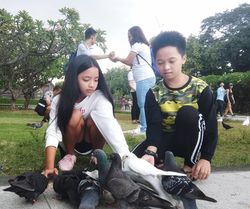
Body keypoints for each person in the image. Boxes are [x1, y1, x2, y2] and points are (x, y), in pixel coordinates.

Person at [133, 31, 218, 181]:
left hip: (188, 140)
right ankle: (162, 161)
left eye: (172, 61)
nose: (166, 67)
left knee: (189, 113)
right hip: (163, 139)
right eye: (160, 62)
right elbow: (154, 126)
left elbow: (210, 127)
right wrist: (151, 152)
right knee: (131, 164)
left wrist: (206, 158)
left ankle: (190, 165)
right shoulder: (153, 92)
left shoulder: (201, 89)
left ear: (183, 59)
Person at [42, 55, 130, 177]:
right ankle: (70, 155)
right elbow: (53, 130)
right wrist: (49, 167)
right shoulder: (59, 100)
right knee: (75, 114)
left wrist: (126, 156)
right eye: (86, 79)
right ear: (74, 78)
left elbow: (110, 125)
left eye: (96, 79)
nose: (92, 85)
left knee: (97, 119)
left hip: (91, 140)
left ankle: (97, 154)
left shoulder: (100, 98)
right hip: (71, 140)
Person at [111, 26, 156, 134]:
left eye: (130, 36)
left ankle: (144, 128)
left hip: (143, 78)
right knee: (146, 104)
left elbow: (128, 61)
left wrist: (117, 59)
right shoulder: (144, 45)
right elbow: (131, 62)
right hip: (147, 77)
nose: (129, 38)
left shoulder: (137, 45)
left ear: (135, 35)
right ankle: (145, 126)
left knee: (142, 104)